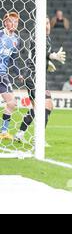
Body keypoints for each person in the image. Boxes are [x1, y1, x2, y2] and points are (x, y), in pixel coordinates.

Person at [14, 17, 66, 144]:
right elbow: (39, 51)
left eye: (47, 23)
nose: (46, 25)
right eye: (43, 23)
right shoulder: (37, 36)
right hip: (32, 76)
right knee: (42, 106)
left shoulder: (47, 37)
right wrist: (52, 56)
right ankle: (38, 138)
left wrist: (47, 63)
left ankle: (20, 134)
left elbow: (37, 57)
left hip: (39, 76)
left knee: (43, 106)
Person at [0, 12, 22, 140]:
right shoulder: (0, 35)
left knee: (12, 103)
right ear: (5, 23)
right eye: (11, 21)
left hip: (2, 74)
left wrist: (18, 72)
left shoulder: (16, 40)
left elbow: (13, 60)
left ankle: (3, 132)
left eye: (16, 22)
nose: (14, 24)